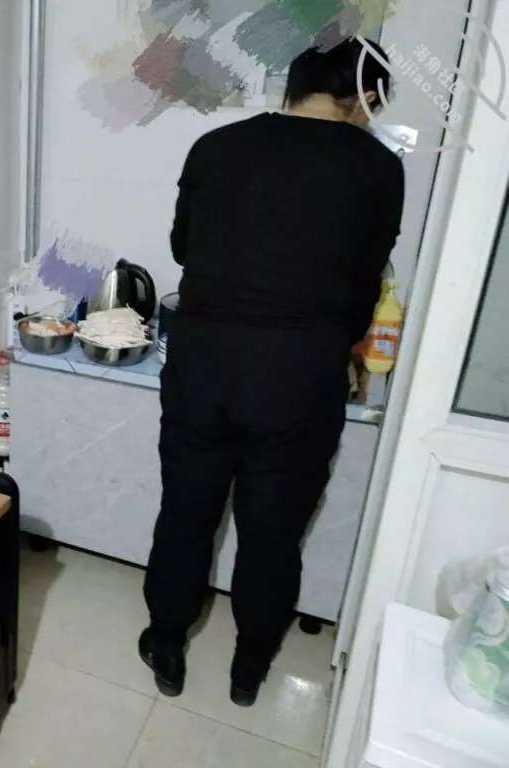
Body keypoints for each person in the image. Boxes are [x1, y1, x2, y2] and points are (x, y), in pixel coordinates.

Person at [140, 37, 405, 707]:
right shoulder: (377, 168)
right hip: (299, 376)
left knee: (185, 513)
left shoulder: (215, 147)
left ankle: (167, 643)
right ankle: (249, 666)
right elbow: (365, 281)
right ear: (364, 97)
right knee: (273, 531)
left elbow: (183, 247)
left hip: (204, 363)